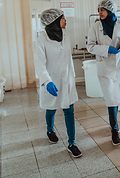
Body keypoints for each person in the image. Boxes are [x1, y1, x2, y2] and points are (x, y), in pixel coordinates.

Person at [34, 8, 82, 158]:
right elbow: (40, 65)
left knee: (69, 111)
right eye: (62, 18)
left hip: (67, 80)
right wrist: (47, 81)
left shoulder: (65, 36)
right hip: (52, 81)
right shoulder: (41, 40)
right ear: (54, 21)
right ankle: (50, 130)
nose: (65, 20)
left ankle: (72, 143)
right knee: (51, 108)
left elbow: (66, 59)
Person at [86, 0, 120, 145]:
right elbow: (90, 46)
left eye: (103, 10)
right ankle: (114, 130)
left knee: (118, 97)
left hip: (119, 65)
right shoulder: (95, 26)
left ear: (110, 11)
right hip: (105, 66)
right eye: (99, 10)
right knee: (111, 100)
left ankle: (114, 126)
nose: (100, 12)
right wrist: (107, 49)